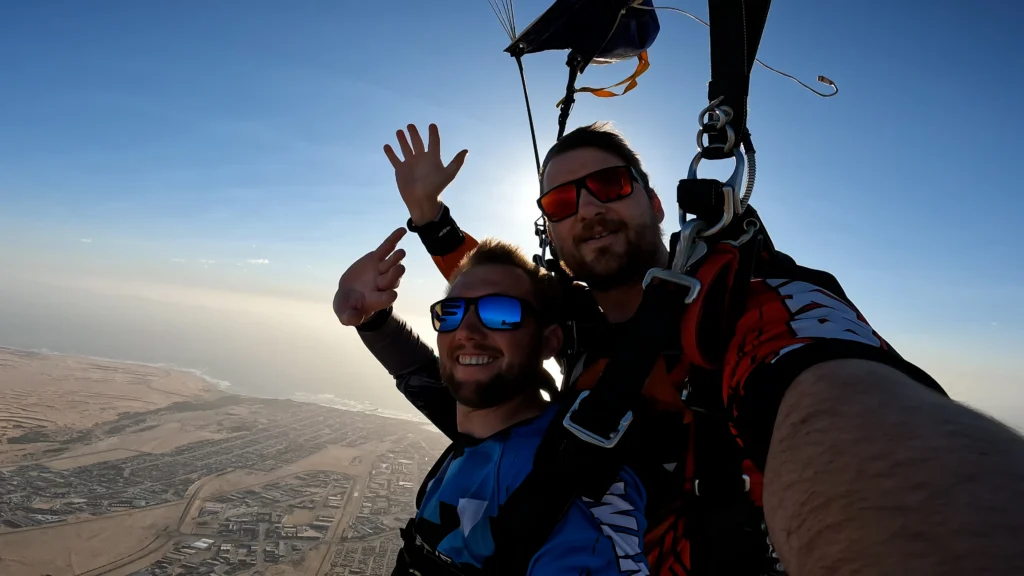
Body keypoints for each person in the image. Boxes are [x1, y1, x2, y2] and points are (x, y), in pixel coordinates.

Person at [353, 122, 1024, 576]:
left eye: (610, 186)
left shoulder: (737, 305)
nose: (588, 208)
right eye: (563, 200)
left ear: (654, 201)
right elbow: (504, 303)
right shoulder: (580, 322)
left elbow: (828, 392)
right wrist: (429, 221)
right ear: (550, 229)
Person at [334, 229, 649, 575]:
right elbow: (425, 379)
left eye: (500, 312)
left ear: (549, 342)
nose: (466, 330)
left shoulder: (576, 481)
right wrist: (371, 319)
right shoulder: (482, 438)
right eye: (451, 312)